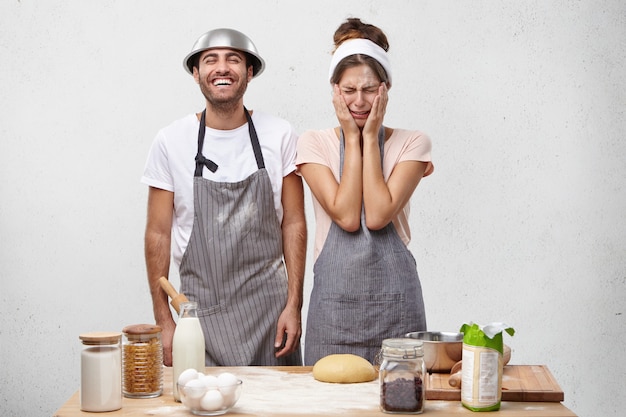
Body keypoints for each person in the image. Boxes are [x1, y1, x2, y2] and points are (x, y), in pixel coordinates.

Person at [142, 28, 306, 367]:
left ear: (249, 72)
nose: (222, 68)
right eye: (210, 60)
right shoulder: (171, 141)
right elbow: (157, 232)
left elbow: (294, 223)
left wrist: (294, 305)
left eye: (233, 59)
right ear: (196, 73)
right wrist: (164, 320)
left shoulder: (279, 134)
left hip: (271, 319)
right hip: (199, 322)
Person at [297, 18, 434, 365]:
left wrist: (369, 137)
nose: (359, 101)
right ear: (334, 90)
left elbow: (376, 215)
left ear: (386, 89)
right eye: (349, 90)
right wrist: (351, 134)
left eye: (370, 89)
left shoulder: (412, 143)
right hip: (332, 311)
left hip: (396, 310)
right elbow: (345, 215)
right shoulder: (314, 143)